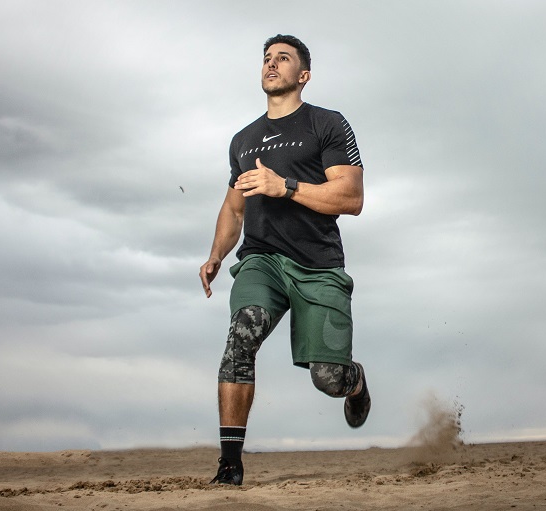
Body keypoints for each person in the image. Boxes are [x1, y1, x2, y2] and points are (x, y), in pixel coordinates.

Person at [198, 34, 370, 486]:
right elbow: (234, 207)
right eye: (267, 58)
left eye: (283, 58)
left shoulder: (327, 124)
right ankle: (230, 466)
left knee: (327, 378)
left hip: (318, 265)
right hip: (262, 261)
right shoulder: (243, 139)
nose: (271, 64)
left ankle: (354, 380)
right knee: (241, 338)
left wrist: (286, 187)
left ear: (304, 75)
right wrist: (217, 253)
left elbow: (351, 198)